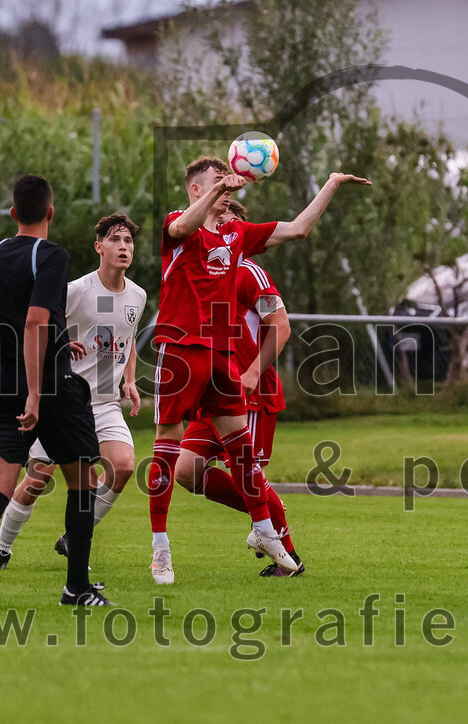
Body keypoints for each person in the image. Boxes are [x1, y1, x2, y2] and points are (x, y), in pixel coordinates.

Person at [148, 156, 369, 580]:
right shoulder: (179, 223)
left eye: (227, 186)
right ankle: (163, 547)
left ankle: (271, 528)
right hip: (181, 352)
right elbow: (180, 228)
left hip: (227, 365)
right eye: (216, 183)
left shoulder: (237, 242)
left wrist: (332, 184)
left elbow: (298, 229)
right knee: (178, 463)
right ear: (197, 190)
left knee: (242, 460)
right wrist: (217, 190)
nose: (226, 189)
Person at [0, 174, 111, 608]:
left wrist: (53, 343)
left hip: (3, 380)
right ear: (51, 212)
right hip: (50, 387)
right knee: (84, 479)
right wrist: (36, 394)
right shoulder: (52, 255)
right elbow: (34, 321)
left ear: (13, 213)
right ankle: (76, 588)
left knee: (0, 483)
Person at [147, 200, 299, 584]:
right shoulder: (204, 264)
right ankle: (261, 523)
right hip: (210, 380)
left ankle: (287, 551)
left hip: (250, 390)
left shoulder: (250, 273)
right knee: (186, 471)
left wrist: (250, 373)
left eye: (231, 217)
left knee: (247, 473)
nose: (224, 222)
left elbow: (280, 325)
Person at [0, 213, 147, 569]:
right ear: (99, 247)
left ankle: (75, 537)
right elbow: (42, 324)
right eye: (116, 240)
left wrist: (130, 380)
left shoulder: (138, 295)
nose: (124, 247)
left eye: (129, 241)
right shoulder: (76, 290)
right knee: (38, 478)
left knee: (122, 466)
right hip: (67, 400)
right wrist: (62, 343)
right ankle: (2, 547)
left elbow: (129, 337)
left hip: (105, 403)